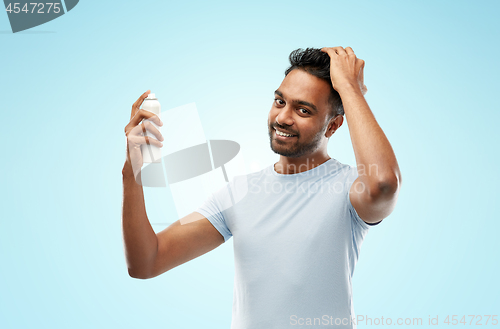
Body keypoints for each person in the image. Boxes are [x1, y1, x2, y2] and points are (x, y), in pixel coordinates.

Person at [122, 47, 402, 328]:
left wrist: (350, 88)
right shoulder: (238, 193)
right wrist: (130, 172)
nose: (283, 118)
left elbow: (383, 184)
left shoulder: (349, 188)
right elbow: (147, 262)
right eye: (280, 101)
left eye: (303, 110)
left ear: (333, 126)